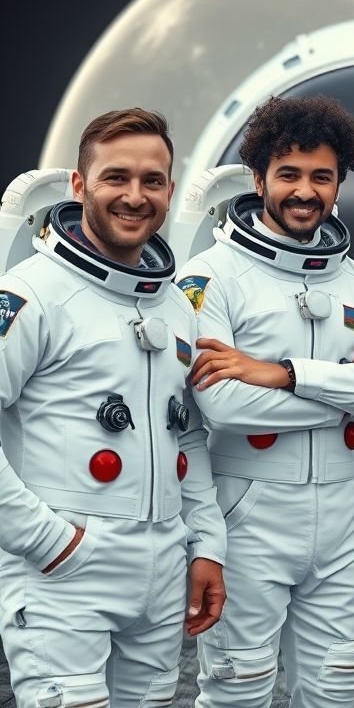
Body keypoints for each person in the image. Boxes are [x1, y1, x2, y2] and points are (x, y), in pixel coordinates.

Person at [177, 94, 354, 707]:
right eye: (288, 174)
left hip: (342, 521)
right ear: (258, 177)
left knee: (338, 691)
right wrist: (351, 392)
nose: (305, 191)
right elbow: (225, 407)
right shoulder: (209, 277)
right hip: (246, 518)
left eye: (322, 176)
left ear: (339, 184)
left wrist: (282, 374)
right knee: (238, 688)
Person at [0, 108, 226, 707]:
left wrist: (205, 545)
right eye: (115, 177)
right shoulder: (33, 292)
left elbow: (189, 439)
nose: (135, 195)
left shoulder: (176, 306)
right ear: (79, 186)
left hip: (161, 565)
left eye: (152, 181)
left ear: (171, 191)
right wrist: (48, 541)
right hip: (64, 563)